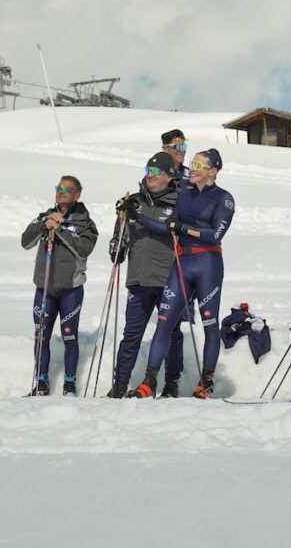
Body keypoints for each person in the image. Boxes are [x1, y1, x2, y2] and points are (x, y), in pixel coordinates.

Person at [130, 149, 234, 399]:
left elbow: (216, 234)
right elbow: (169, 227)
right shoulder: (185, 193)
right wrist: (138, 216)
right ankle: (149, 381)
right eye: (192, 163)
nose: (193, 167)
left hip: (208, 263)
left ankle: (206, 382)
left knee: (210, 324)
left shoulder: (223, 198)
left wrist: (184, 228)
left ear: (213, 171)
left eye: (199, 164)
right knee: (164, 322)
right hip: (183, 263)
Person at [107, 152, 185, 398]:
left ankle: (171, 382)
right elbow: (117, 248)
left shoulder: (179, 201)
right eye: (147, 171)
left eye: (156, 172)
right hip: (139, 280)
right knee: (131, 335)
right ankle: (119, 385)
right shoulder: (135, 201)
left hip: (168, 280)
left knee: (172, 334)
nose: (150, 176)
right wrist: (121, 223)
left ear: (169, 176)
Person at [21, 176, 98, 396]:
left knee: (69, 335)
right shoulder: (46, 216)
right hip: (44, 289)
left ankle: (70, 384)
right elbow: (25, 242)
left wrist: (61, 229)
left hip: (70, 290)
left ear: (77, 195)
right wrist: (43, 224)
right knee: (41, 335)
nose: (61, 192)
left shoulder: (85, 223)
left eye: (67, 189)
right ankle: (41, 383)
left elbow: (83, 249)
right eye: (59, 187)